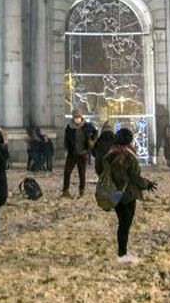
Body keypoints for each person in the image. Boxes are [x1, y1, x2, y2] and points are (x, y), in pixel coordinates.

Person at [101, 128, 157, 263]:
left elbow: (101, 171)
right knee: (125, 224)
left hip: (114, 194)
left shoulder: (109, 155)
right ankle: (122, 254)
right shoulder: (128, 157)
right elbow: (134, 177)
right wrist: (147, 184)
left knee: (122, 223)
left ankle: (122, 252)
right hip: (128, 195)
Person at [62, 110, 98, 198]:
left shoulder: (87, 126)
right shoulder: (69, 127)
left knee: (82, 173)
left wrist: (91, 142)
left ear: (81, 117)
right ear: (73, 118)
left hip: (82, 153)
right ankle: (65, 191)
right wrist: (67, 146)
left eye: (78, 117)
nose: (77, 119)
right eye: (75, 117)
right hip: (72, 153)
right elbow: (66, 138)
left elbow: (95, 132)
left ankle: (81, 191)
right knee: (67, 172)